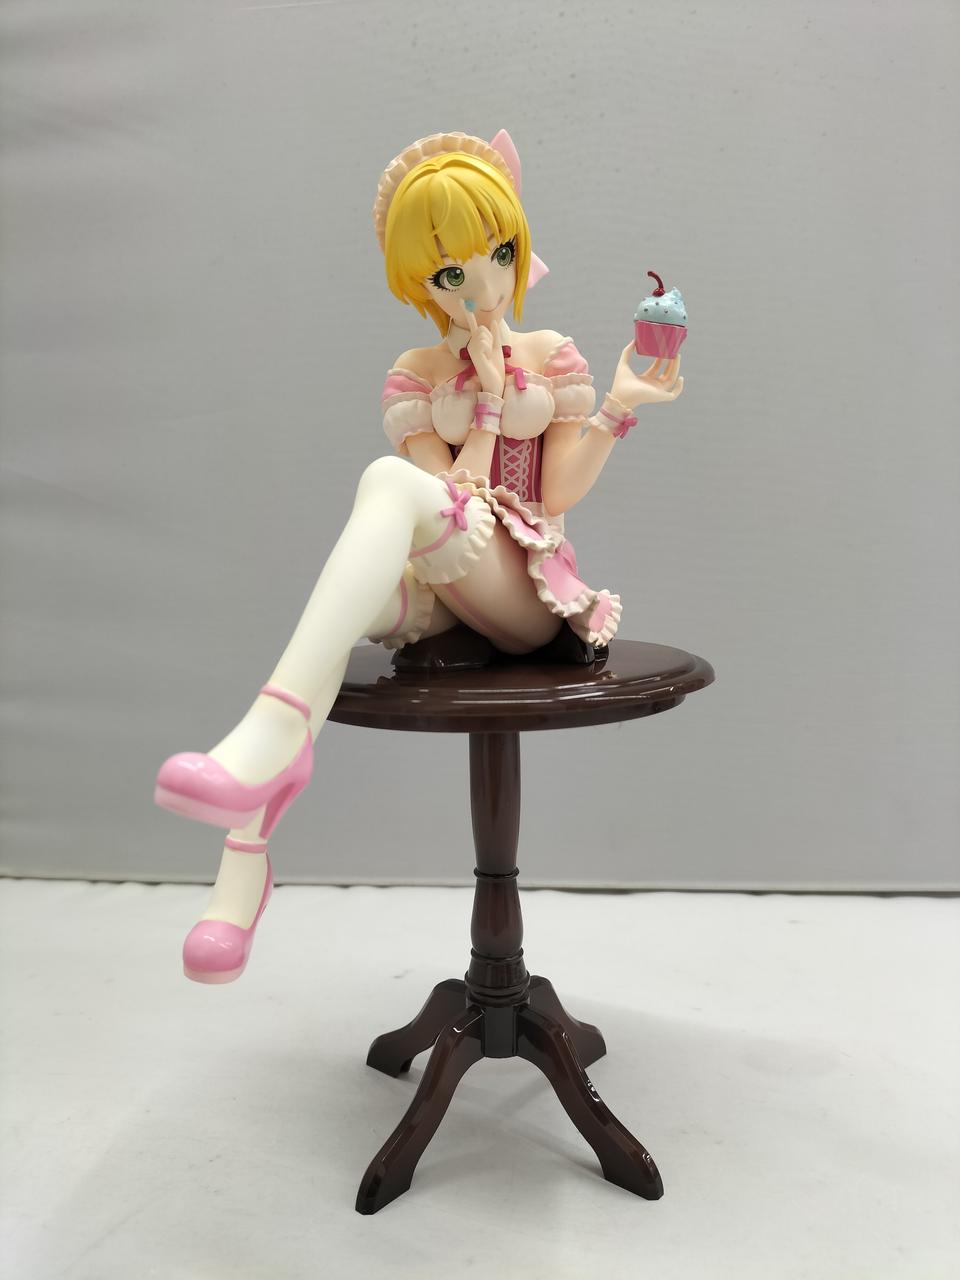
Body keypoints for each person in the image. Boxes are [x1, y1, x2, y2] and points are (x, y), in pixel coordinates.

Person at [154, 130, 683, 983]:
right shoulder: (415, 373)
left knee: (384, 482)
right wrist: (483, 408)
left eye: (499, 255)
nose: (483, 286)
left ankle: (266, 753)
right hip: (446, 579)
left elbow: (552, 494)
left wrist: (617, 404)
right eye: (449, 273)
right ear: (418, 284)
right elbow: (451, 493)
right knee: (343, 611)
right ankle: (241, 870)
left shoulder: (551, 355)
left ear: (519, 248)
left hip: (523, 587)